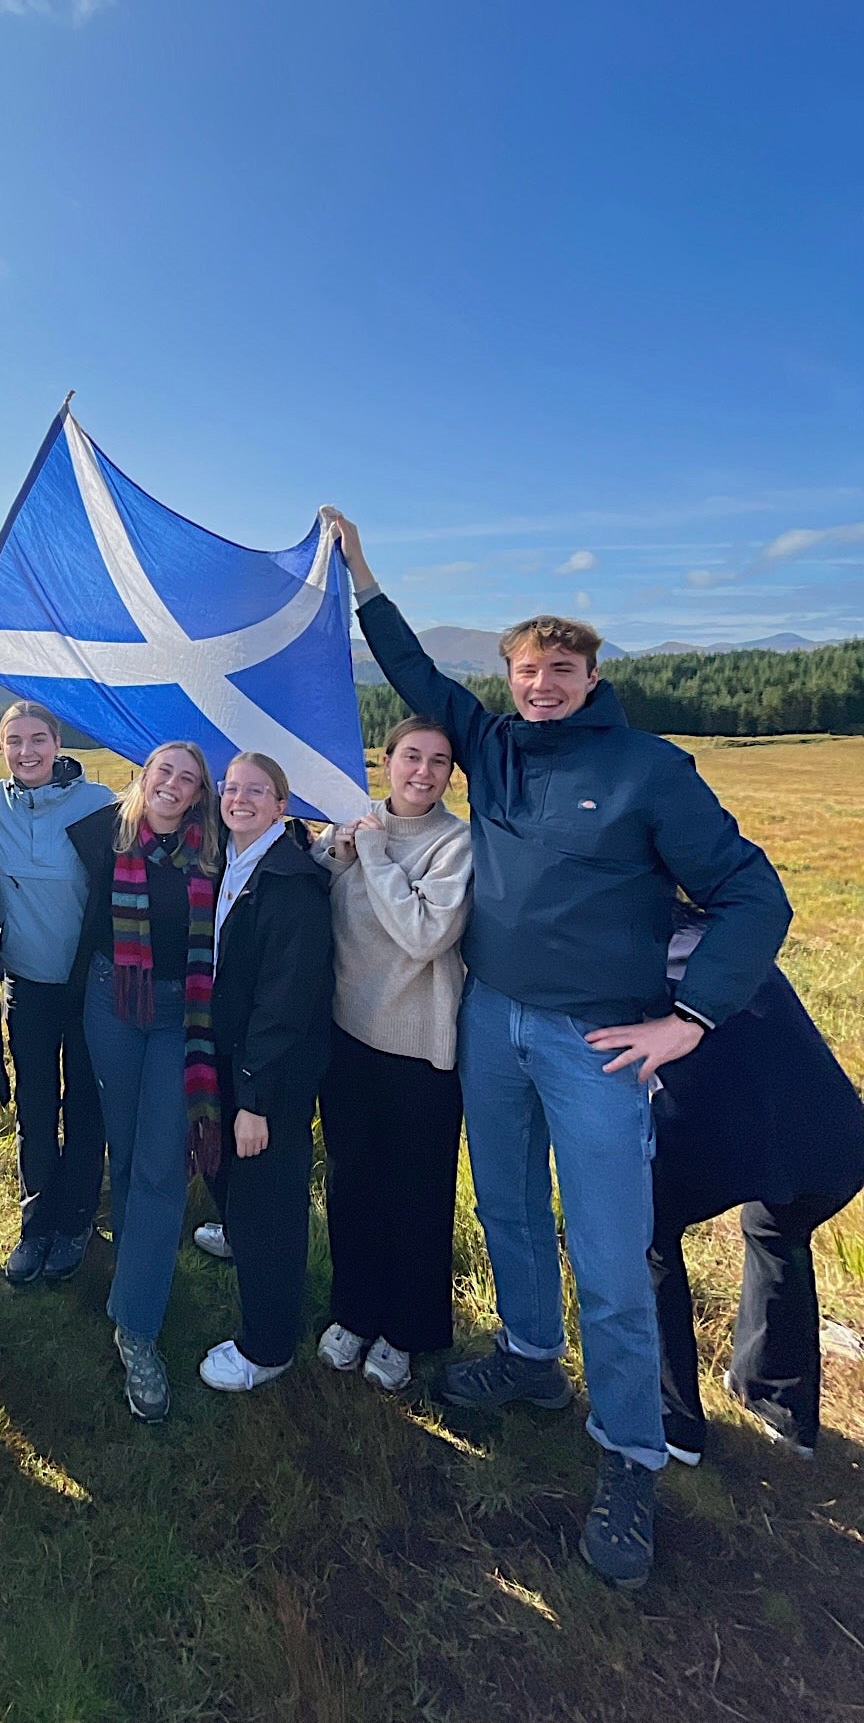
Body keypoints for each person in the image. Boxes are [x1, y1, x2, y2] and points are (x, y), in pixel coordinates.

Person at [329, 512, 792, 1591]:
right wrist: (360, 573)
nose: (541, 685)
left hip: (599, 1040)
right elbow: (408, 667)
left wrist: (692, 1020)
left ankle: (629, 1453)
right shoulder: (487, 747)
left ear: (591, 676)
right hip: (491, 1017)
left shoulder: (649, 771)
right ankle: (533, 1360)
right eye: (526, 670)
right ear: (508, 676)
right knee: (506, 1209)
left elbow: (752, 892)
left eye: (562, 670)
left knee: (611, 1248)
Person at [651, 905, 864, 1464]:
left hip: (748, 1128)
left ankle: (671, 1423)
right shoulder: (724, 936)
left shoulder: (635, 958)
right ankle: (783, 1412)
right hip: (837, 1137)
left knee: (644, 1228)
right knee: (776, 1226)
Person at [312, 719, 472, 1392]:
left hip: (419, 1051)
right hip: (348, 1035)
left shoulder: (456, 843)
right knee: (351, 1181)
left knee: (417, 1192)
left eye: (439, 761)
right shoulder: (357, 824)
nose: (424, 771)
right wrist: (337, 853)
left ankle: (407, 1330)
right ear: (386, 760)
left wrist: (374, 855)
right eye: (412, 756)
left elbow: (425, 931)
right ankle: (353, 1311)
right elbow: (315, 896)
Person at [70, 742, 222, 1423]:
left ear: (197, 796)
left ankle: (136, 1327)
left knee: (162, 1162)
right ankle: (140, 1263)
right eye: (164, 771)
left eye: (187, 780)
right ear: (144, 775)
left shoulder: (213, 853)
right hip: (111, 1001)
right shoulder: (104, 831)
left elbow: (285, 855)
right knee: (125, 1148)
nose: (172, 785)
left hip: (177, 1012)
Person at [0, 702, 113, 1287]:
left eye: (38, 740)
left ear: (57, 742)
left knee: (85, 1106)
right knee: (36, 1107)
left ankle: (75, 1222)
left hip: (89, 982)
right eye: (15, 741)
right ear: (2, 747)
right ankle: (35, 1223)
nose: (27, 752)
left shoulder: (99, 803)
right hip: (26, 983)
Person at [197, 754, 332, 1392]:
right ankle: (236, 1233)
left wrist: (253, 1098)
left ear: (282, 804)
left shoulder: (291, 881)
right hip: (234, 1056)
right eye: (233, 788)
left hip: (267, 1072)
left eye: (259, 791)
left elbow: (285, 1002)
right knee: (236, 1181)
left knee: (270, 1204)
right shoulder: (231, 861)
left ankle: (268, 1346)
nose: (241, 799)